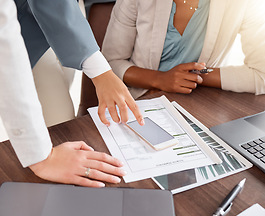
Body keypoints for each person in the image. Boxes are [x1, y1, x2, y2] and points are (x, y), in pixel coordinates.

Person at [0, 0, 144, 187]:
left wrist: (99, 71)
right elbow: (5, 49)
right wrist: (42, 158)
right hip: (19, 27)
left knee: (62, 121)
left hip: (57, 24)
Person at [102, 0, 265, 99]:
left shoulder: (245, 3)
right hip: (141, 101)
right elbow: (109, 64)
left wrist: (194, 76)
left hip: (201, 103)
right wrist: (160, 79)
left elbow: (261, 75)